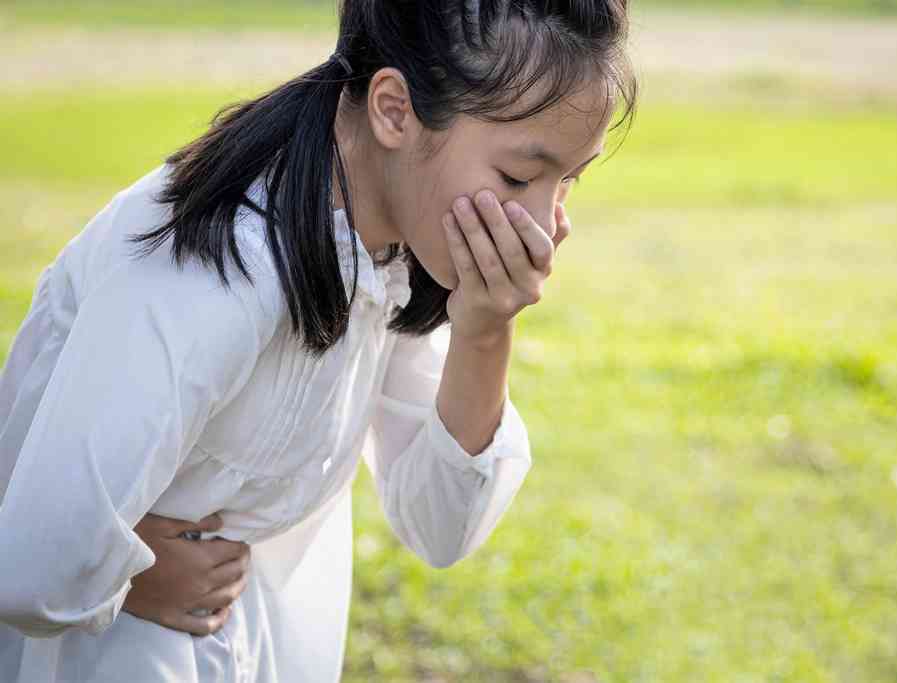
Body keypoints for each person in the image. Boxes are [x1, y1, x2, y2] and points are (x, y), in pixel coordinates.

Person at [0, 0, 638, 680]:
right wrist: (132, 575)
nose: (542, 225)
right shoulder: (218, 266)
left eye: (568, 179)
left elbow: (440, 525)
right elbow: (36, 563)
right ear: (394, 110)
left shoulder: (392, 245)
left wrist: (485, 330)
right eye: (518, 176)